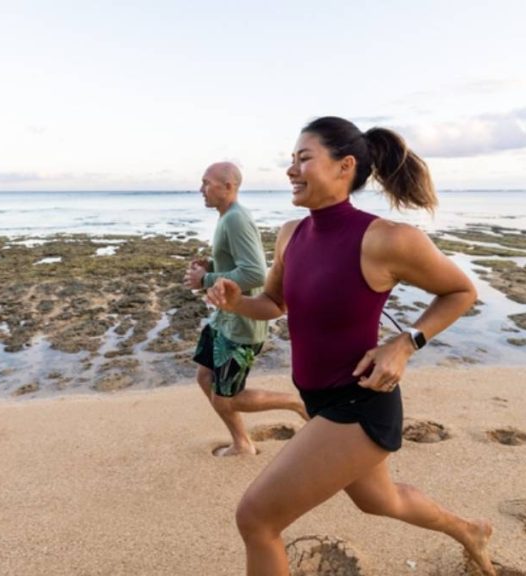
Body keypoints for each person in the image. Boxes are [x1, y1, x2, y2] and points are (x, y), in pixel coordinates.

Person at [205, 118, 496, 575]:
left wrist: (405, 342)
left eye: (304, 158)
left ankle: (469, 531)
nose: (290, 170)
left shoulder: (387, 238)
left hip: (360, 403)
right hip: (318, 399)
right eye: (291, 159)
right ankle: (468, 530)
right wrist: (238, 301)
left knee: (257, 519)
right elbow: (274, 304)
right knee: (382, 500)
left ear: (345, 167)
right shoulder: (290, 235)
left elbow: (461, 291)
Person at [185, 161, 308, 457]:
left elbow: (255, 273)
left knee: (228, 398)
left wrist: (207, 279)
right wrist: (212, 267)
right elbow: (236, 266)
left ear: (229, 186)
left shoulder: (236, 219)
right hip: (222, 318)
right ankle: (242, 443)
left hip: (242, 324)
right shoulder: (226, 217)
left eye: (206, 183)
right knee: (204, 377)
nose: (201, 189)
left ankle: (295, 403)